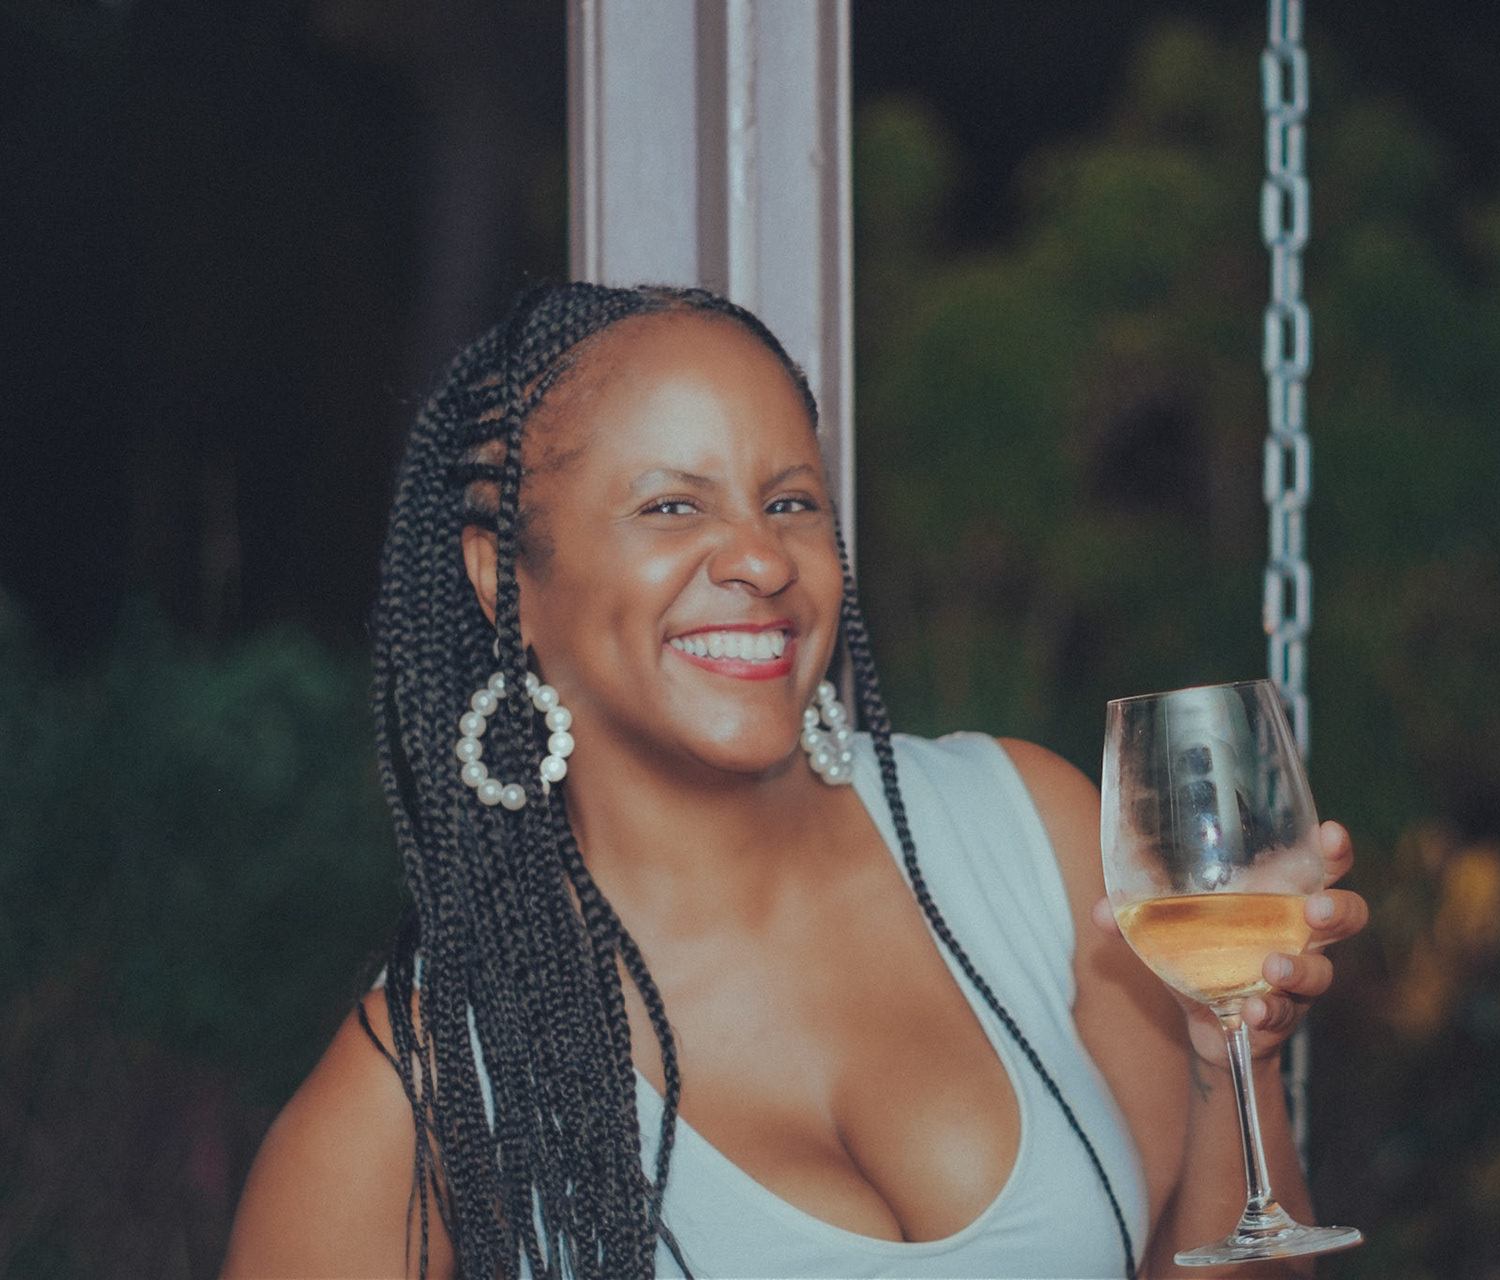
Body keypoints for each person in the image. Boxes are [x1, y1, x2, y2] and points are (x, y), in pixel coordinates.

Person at [220, 284, 1368, 1279]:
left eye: (791, 501)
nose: (762, 558)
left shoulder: (1026, 833)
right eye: (673, 505)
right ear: (502, 579)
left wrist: (1235, 1056)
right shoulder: (424, 1085)